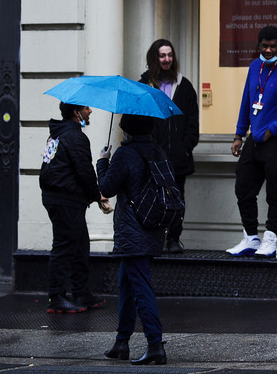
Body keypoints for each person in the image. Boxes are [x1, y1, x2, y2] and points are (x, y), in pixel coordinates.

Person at [97, 114, 169, 366]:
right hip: (151, 226)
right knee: (126, 285)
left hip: (132, 230)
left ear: (127, 130)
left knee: (140, 287)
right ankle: (121, 342)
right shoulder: (157, 151)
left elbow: (107, 188)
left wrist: (102, 162)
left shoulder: (125, 154)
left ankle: (155, 344)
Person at [227, 26, 277, 258]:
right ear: (258, 46)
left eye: (273, 46)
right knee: (243, 186)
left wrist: (273, 130)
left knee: (274, 189)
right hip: (254, 137)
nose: (268, 50)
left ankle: (271, 237)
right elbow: (247, 101)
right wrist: (239, 134)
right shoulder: (254, 67)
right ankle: (250, 237)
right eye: (264, 46)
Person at [39, 102, 112, 314]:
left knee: (79, 246)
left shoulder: (57, 135)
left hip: (59, 197)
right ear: (76, 112)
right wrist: (97, 195)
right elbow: (85, 171)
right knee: (64, 246)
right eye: (86, 108)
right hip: (65, 199)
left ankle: (81, 292)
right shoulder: (75, 136)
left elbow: (49, 164)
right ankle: (56, 297)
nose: (90, 111)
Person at [139, 38, 199, 254]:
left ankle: (174, 239)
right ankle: (155, 238)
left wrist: (186, 147)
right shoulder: (145, 85)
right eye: (162, 55)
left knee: (176, 199)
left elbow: (192, 120)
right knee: (152, 198)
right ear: (155, 58)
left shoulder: (184, 86)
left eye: (169, 55)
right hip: (151, 154)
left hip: (177, 156)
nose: (166, 59)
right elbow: (137, 118)